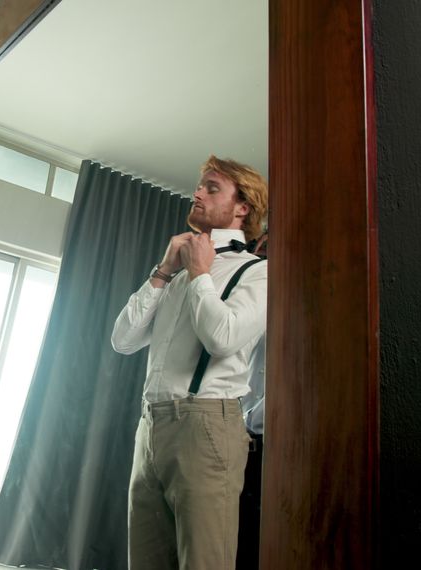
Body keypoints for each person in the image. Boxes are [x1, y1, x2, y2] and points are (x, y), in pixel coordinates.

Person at [111, 155, 268, 569]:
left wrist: (200, 275)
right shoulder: (176, 274)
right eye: (199, 185)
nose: (197, 192)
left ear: (242, 207)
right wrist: (164, 271)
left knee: (204, 562)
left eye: (211, 187)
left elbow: (223, 338)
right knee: (145, 560)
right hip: (151, 426)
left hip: (207, 428)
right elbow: (123, 341)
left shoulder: (258, 272)